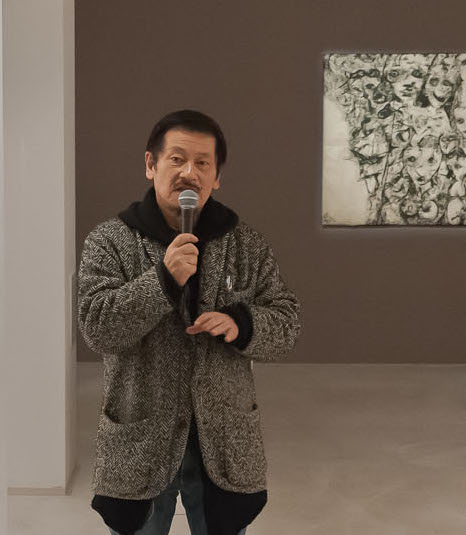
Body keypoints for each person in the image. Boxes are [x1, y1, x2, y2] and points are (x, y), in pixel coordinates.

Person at [78, 109, 301, 535]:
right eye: (177, 159)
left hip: (224, 441)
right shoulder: (109, 242)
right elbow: (98, 327)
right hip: (141, 437)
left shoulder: (246, 244)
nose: (189, 173)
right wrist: (162, 279)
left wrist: (242, 324)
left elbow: (287, 321)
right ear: (151, 164)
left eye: (202, 163)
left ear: (217, 177)